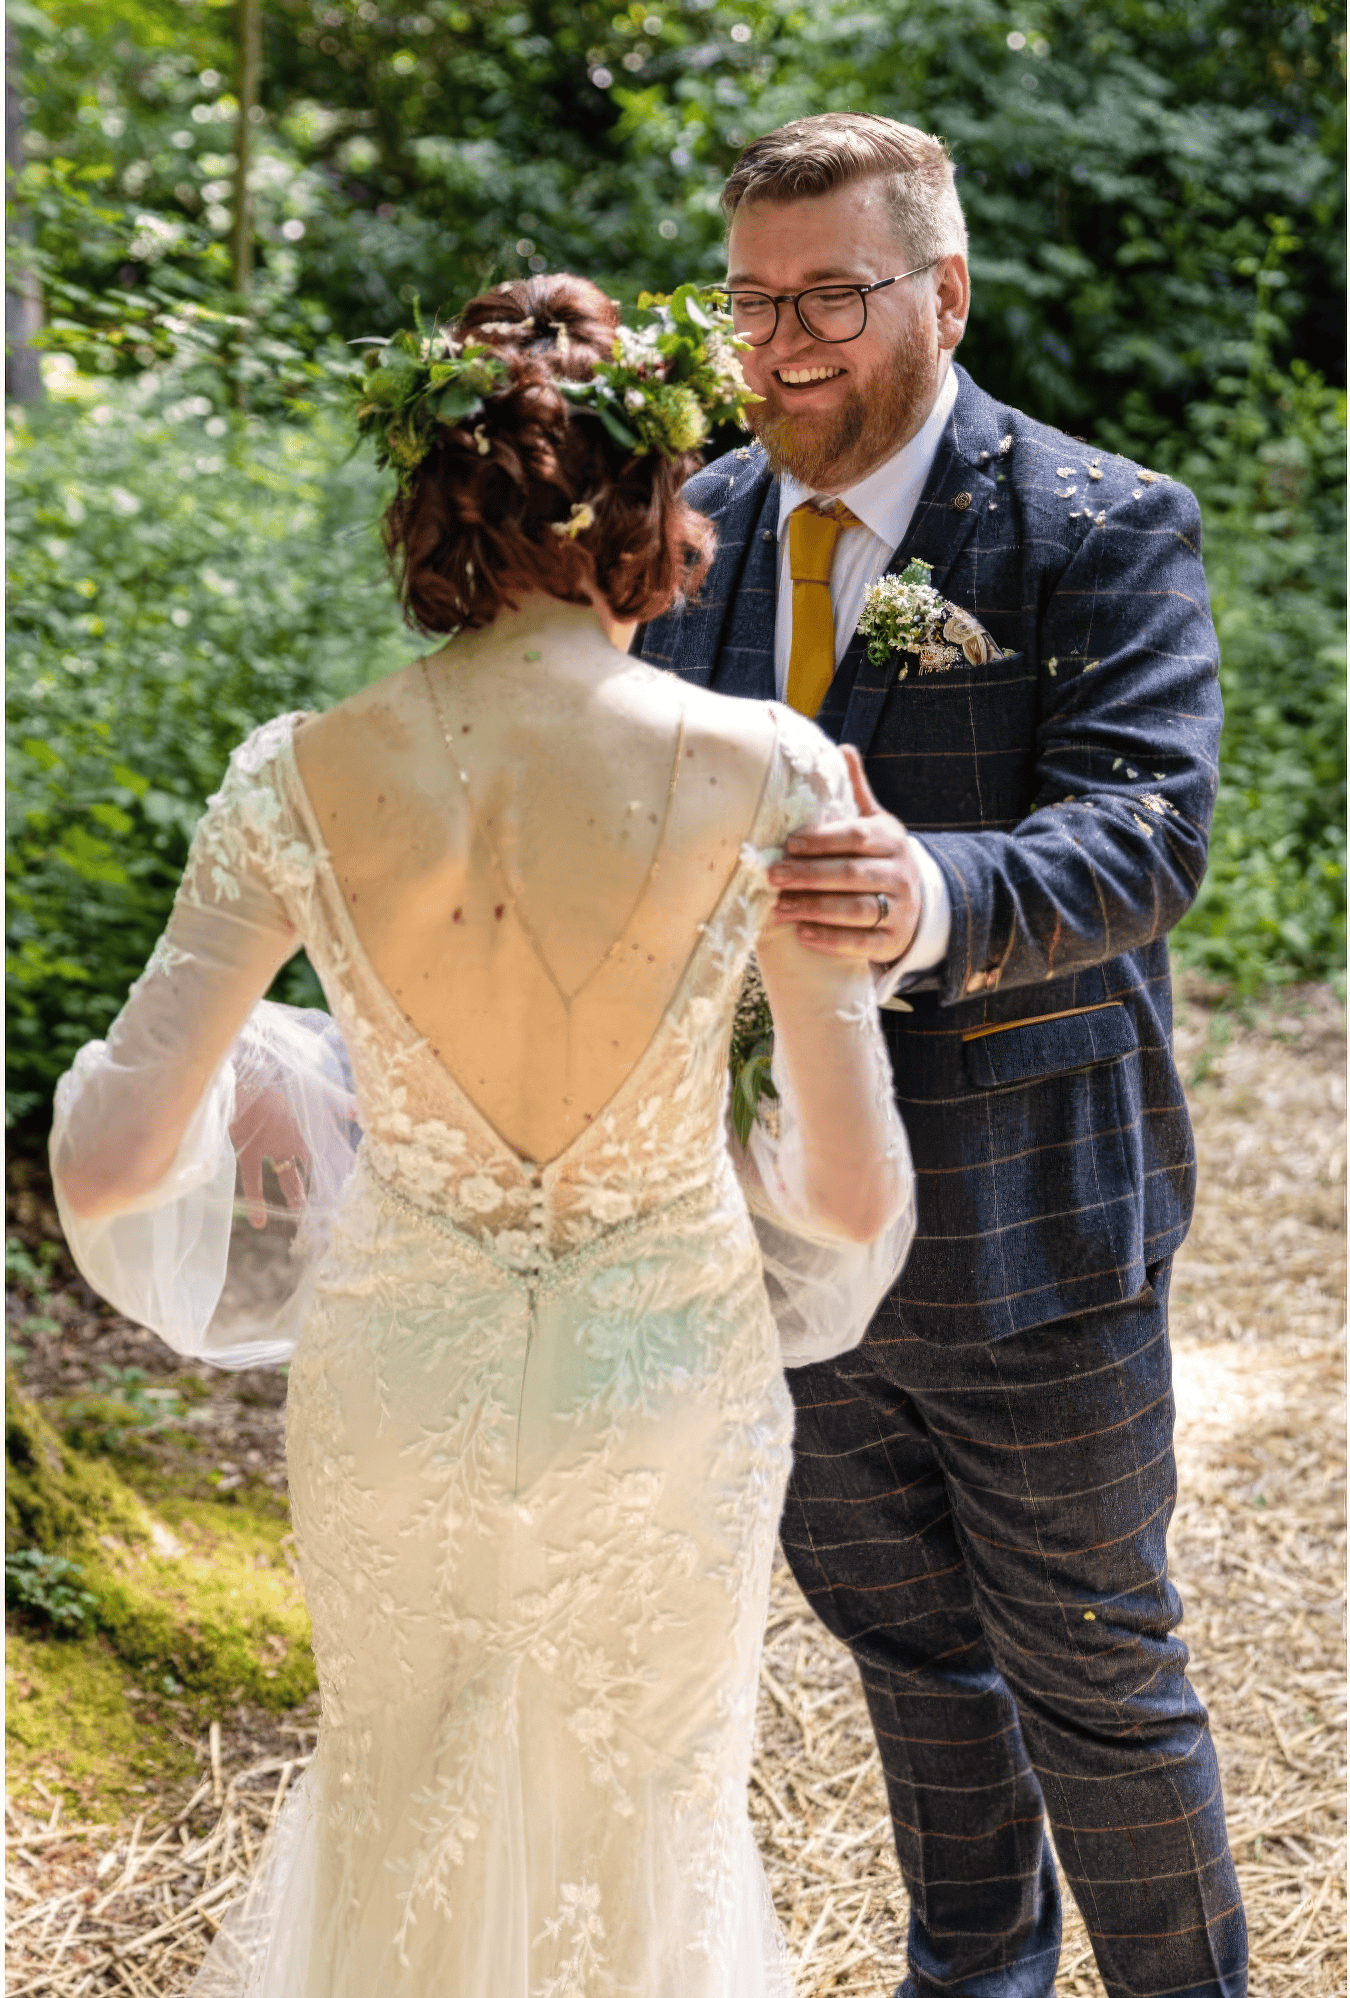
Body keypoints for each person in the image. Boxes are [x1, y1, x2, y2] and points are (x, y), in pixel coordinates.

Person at [48, 274, 915, 1997]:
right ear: (658, 501)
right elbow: (846, 1192)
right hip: (663, 1368)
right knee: (648, 1809)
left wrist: (265, 1083)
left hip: (402, 1367)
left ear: (434, 497)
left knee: (403, 1787)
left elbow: (110, 1164)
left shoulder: (297, 778)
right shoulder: (779, 775)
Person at [636, 114, 1247, 1998]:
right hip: (773, 1239)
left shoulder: (1092, 521)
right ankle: (967, 1977)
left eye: (831, 291)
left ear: (943, 290)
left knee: (1093, 1661)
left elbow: (1149, 828)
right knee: (902, 1648)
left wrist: (928, 894)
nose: (783, 338)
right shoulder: (692, 525)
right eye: (752, 297)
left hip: (1028, 1221)